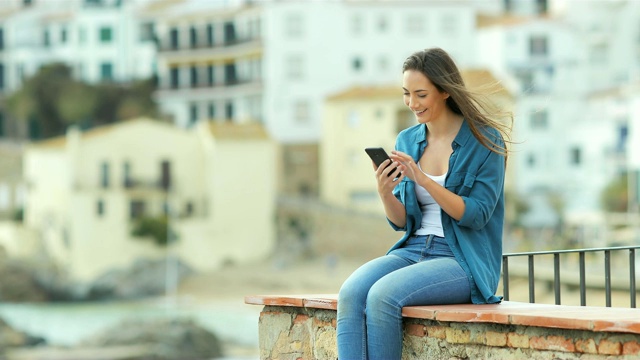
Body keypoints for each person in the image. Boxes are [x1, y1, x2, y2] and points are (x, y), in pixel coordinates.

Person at [336, 47, 512, 360]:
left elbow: (476, 215)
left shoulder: (486, 141)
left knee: (382, 296)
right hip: (413, 250)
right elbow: (403, 222)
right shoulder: (407, 140)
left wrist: (424, 179)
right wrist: (384, 191)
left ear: (444, 91)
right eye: (406, 94)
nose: (412, 104)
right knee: (351, 293)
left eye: (420, 94)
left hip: (462, 260)